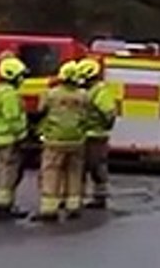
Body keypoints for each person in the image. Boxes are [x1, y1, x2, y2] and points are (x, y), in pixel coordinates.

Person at [36, 61, 90, 222]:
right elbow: (86, 117)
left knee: (51, 172)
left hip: (55, 141)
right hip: (76, 141)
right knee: (74, 172)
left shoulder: (51, 94)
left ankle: (49, 209)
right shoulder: (84, 96)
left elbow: (40, 110)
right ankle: (73, 205)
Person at [0, 55, 29, 221]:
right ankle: (5, 207)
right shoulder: (9, 94)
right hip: (9, 139)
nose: (22, 79)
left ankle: (0, 203)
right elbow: (13, 118)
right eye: (21, 76)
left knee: (1, 170)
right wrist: (23, 136)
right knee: (9, 173)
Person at [77, 57, 116, 210]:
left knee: (97, 167)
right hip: (85, 135)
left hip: (96, 136)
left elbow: (109, 113)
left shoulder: (100, 92)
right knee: (81, 168)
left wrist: (104, 127)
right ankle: (77, 197)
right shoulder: (88, 90)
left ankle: (100, 198)